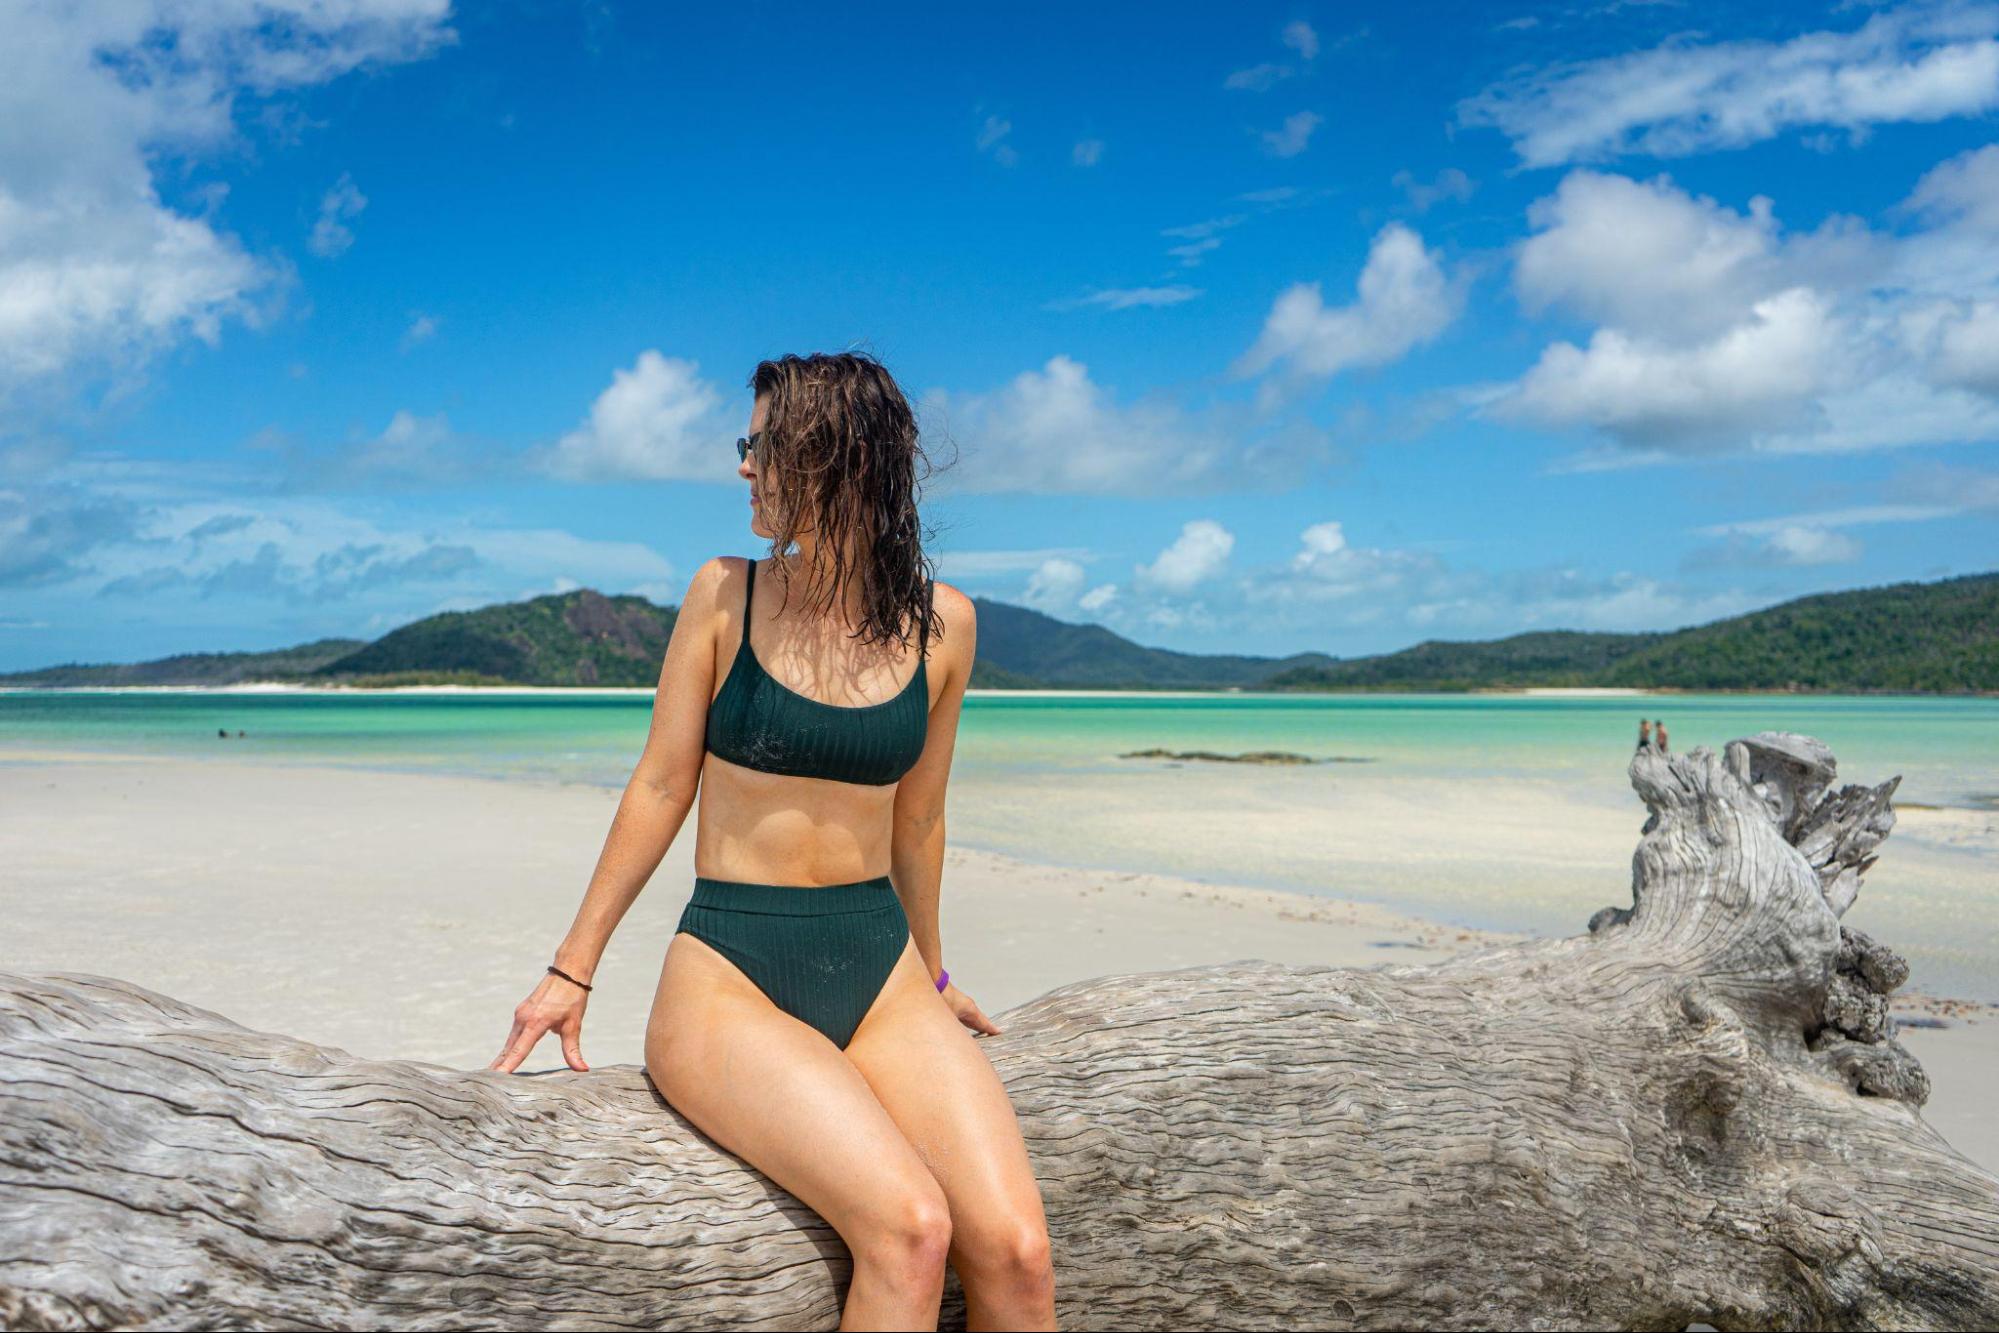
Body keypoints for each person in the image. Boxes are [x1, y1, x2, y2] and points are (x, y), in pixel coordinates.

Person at [489, 352, 1056, 1332]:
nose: (743, 468)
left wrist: (933, 971)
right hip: (730, 976)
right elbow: (662, 782)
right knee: (911, 1231)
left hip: (877, 970)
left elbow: (918, 820)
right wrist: (570, 968)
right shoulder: (726, 595)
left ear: (829, 459)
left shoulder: (944, 624)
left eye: (759, 445)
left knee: (1016, 1252)